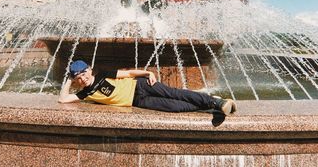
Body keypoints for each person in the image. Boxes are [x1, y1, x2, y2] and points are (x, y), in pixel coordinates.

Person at [58, 60, 237, 115]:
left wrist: (146, 73)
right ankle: (211, 106)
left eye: (84, 73)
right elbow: (63, 99)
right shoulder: (84, 94)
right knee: (174, 107)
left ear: (89, 69)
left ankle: (217, 101)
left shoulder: (103, 73)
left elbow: (127, 74)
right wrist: (68, 79)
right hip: (138, 101)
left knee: (175, 93)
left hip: (141, 86)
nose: (83, 78)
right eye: (78, 78)